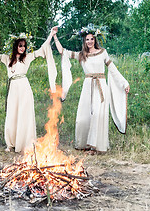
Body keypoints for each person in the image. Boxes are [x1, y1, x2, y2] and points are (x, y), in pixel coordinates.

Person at [52, 25, 130, 154]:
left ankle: (96, 147)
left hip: (100, 86)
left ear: (95, 40)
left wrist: (124, 83)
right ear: (84, 41)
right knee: (83, 117)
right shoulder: (82, 55)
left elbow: (113, 69)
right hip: (88, 86)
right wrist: (54, 36)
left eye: (91, 39)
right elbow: (62, 51)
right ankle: (84, 144)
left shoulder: (102, 52)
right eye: (87, 39)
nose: (89, 42)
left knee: (98, 115)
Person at [0, 28, 57, 153]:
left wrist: (51, 35)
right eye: (20, 46)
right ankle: (11, 143)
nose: (22, 48)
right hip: (13, 88)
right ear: (15, 46)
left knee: (24, 114)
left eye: (24, 46)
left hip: (24, 87)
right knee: (12, 114)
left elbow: (42, 49)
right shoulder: (7, 58)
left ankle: (25, 143)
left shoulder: (28, 57)